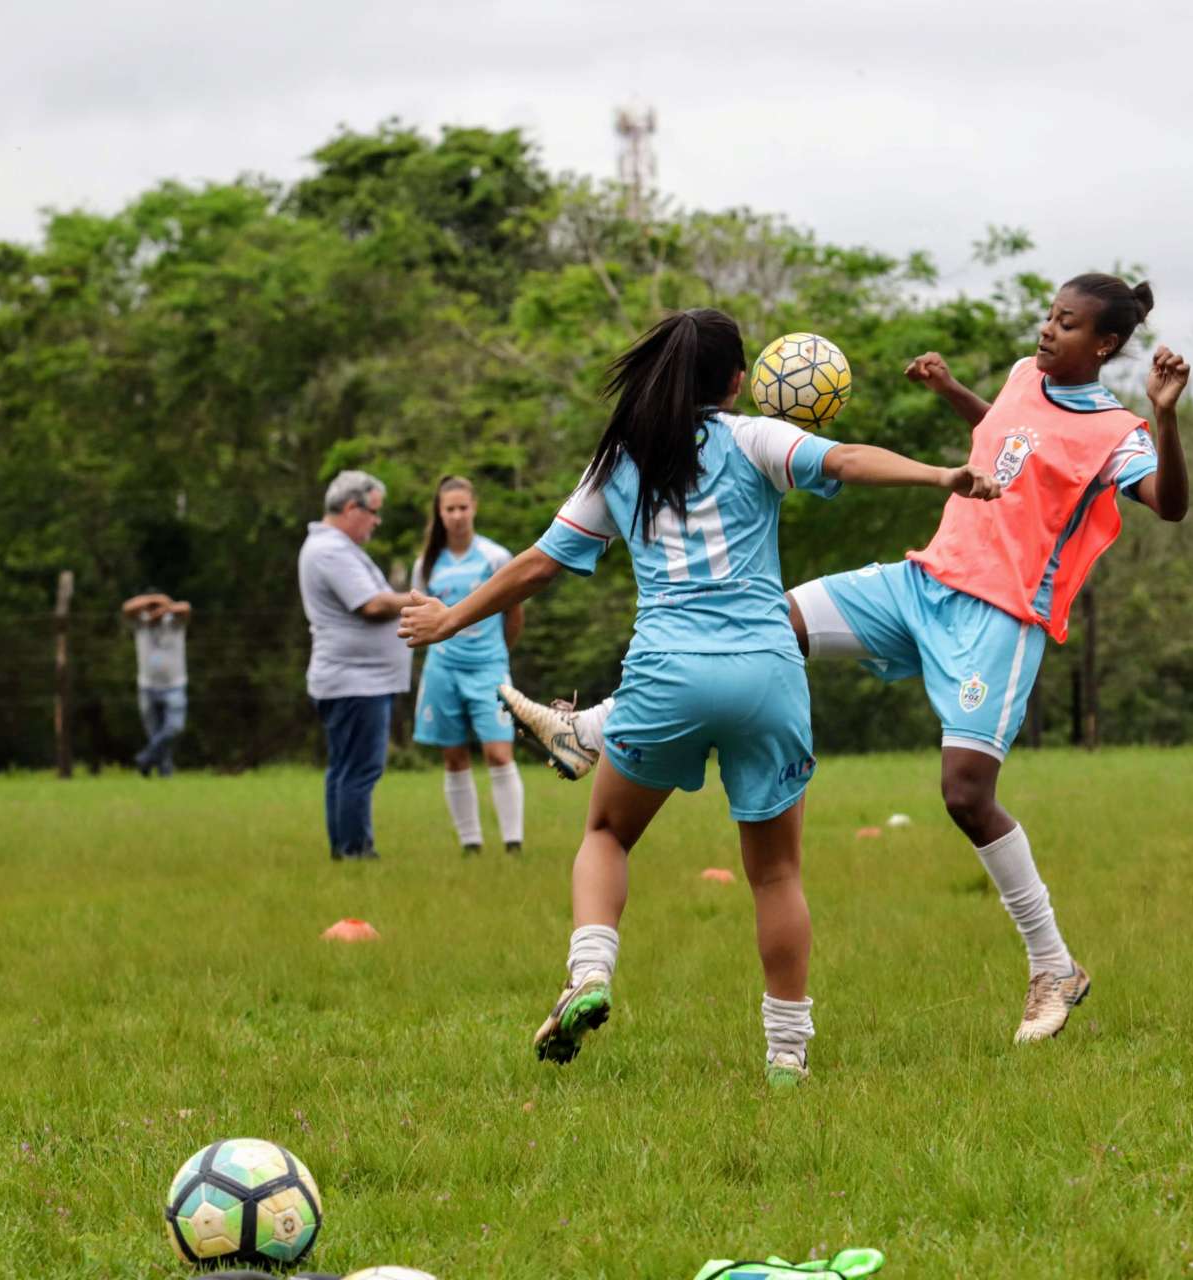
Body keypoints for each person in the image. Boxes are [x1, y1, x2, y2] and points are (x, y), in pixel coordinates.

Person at [398, 307, 999, 1085]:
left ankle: (590, 974)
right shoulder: (755, 436)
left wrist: (449, 617)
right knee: (776, 874)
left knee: (608, 835)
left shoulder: (620, 459)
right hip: (767, 676)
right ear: (738, 382)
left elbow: (539, 564)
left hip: (665, 678)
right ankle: (787, 1055)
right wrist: (939, 474)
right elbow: (847, 459)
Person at [297, 470, 413, 861]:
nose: (377, 521)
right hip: (355, 682)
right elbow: (372, 605)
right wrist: (418, 599)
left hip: (354, 680)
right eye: (373, 512)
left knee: (346, 770)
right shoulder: (331, 550)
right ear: (351, 508)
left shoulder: (333, 548)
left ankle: (346, 849)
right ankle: (355, 851)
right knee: (359, 771)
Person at [411, 476, 527, 855]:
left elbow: (513, 612)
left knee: (498, 752)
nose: (458, 515)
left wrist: (499, 652)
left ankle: (513, 843)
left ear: (474, 508)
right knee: (454, 755)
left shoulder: (495, 558)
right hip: (443, 669)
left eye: (463, 507)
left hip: (488, 668)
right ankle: (471, 844)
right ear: (440, 514)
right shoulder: (427, 566)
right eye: (450, 509)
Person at [120, 588, 190, 776]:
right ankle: (164, 774)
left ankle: (145, 758)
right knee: (155, 735)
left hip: (174, 686)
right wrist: (150, 601)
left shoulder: (174, 623)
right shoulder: (141, 623)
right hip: (147, 686)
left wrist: (163, 605)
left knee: (173, 728)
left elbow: (185, 608)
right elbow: (126, 608)